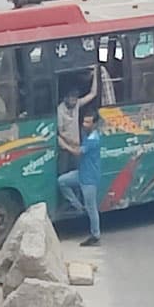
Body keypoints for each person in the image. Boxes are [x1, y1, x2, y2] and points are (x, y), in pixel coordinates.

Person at [57, 110, 102, 246]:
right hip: (81, 173)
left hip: (89, 178)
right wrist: (64, 138)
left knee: (92, 208)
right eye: (84, 121)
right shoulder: (87, 135)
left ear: (94, 124)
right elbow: (77, 144)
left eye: (88, 122)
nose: (84, 124)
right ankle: (77, 206)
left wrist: (63, 144)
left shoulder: (94, 139)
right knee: (62, 181)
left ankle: (95, 235)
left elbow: (77, 151)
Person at [57, 67, 99, 175]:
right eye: (71, 98)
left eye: (75, 98)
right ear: (65, 98)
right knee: (63, 175)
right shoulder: (60, 110)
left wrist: (95, 73)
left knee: (77, 174)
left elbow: (93, 93)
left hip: (76, 147)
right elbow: (60, 132)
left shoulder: (76, 104)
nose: (74, 101)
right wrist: (72, 143)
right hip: (65, 149)